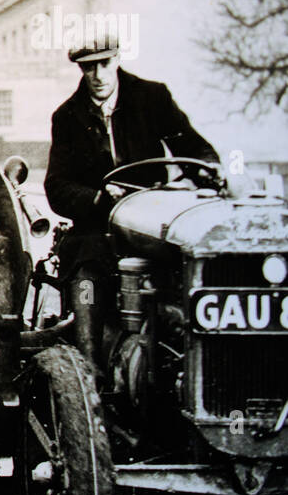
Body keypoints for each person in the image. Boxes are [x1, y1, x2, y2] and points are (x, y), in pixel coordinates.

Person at [45, 36, 218, 366]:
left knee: (190, 261)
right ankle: (89, 370)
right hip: (98, 228)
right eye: (88, 67)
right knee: (86, 278)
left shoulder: (151, 97)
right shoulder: (67, 116)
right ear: (80, 69)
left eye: (104, 64)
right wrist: (97, 197)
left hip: (151, 221)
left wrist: (209, 172)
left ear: (117, 59)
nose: (98, 75)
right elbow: (57, 186)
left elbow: (193, 148)